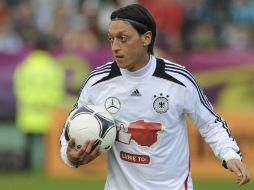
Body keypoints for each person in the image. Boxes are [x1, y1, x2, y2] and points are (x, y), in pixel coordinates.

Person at [60, 4, 250, 190]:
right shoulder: (97, 82)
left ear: (146, 38)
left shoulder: (178, 80)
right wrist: (69, 156)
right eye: (111, 39)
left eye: (123, 38)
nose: (115, 47)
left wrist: (230, 155)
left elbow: (210, 123)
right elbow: (70, 127)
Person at [14, 34, 65, 169]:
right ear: (48, 48)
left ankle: (26, 166)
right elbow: (58, 90)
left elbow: (18, 87)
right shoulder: (54, 67)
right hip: (47, 111)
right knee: (47, 144)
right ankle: (47, 166)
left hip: (28, 110)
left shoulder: (25, 66)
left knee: (28, 142)